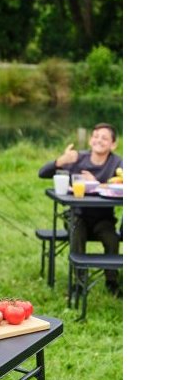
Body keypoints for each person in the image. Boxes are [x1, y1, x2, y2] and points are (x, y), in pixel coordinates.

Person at [39, 122, 122, 295]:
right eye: (96, 136)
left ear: (113, 144)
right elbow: (42, 173)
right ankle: (79, 283)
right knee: (77, 231)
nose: (99, 140)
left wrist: (96, 184)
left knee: (112, 239)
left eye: (104, 138)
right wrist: (61, 160)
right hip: (77, 215)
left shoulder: (117, 163)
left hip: (103, 219)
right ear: (90, 140)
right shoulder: (77, 158)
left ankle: (112, 282)